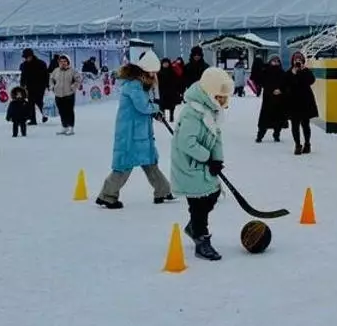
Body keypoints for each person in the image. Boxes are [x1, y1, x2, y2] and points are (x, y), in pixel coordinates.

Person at [170, 67, 234, 261]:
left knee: (212, 193)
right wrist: (207, 158)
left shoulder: (211, 110)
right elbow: (186, 142)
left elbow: (216, 137)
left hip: (202, 165)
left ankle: (194, 227)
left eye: (225, 97)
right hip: (189, 165)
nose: (224, 101)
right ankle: (201, 240)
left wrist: (218, 159)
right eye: (220, 97)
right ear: (209, 93)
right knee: (198, 204)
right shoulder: (192, 113)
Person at [97, 52, 174, 209]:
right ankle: (107, 195)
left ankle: (163, 190)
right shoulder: (133, 85)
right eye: (152, 72)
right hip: (130, 134)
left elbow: (146, 106)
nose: (154, 75)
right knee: (124, 165)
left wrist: (155, 112)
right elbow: (143, 106)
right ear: (144, 70)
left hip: (141, 132)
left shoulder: (141, 84)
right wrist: (155, 108)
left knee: (150, 162)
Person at [283, 52, 318, 155]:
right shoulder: (289, 72)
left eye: (299, 60)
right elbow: (286, 84)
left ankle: (307, 144)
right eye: (295, 60)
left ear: (302, 61)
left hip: (305, 102)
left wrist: (303, 71)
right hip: (293, 102)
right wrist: (293, 74)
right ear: (292, 61)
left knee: (305, 124)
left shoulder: (306, 71)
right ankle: (297, 145)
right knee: (295, 125)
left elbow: (311, 80)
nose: (297, 62)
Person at [255, 55, 288, 143]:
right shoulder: (265, 71)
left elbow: (286, 85)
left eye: (277, 61)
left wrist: (280, 90)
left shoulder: (282, 73)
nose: (275, 62)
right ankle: (260, 135)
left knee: (278, 119)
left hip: (279, 99)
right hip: (268, 99)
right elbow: (259, 80)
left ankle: (276, 134)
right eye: (273, 61)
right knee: (265, 119)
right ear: (270, 62)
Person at [50, 54, 82, 135]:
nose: (63, 63)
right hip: (58, 94)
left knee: (69, 111)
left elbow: (78, 80)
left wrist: (73, 87)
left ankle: (71, 127)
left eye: (65, 61)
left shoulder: (72, 71)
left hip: (69, 94)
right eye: (61, 61)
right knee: (61, 111)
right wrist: (53, 87)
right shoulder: (56, 71)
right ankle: (64, 126)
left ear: (68, 62)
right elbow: (51, 79)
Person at [20, 48, 50, 125]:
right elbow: (23, 76)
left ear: (32, 55)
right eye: (25, 57)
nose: (26, 58)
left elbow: (46, 75)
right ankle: (33, 120)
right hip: (30, 87)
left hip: (40, 87)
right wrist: (22, 85)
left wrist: (47, 85)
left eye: (27, 57)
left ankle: (44, 115)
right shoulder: (24, 65)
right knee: (31, 103)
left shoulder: (41, 63)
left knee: (39, 102)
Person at [157, 57, 181, 122]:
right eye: (164, 63)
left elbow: (176, 81)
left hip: (171, 91)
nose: (165, 64)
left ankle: (171, 116)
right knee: (162, 105)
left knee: (172, 106)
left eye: (167, 63)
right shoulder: (159, 73)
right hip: (162, 91)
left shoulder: (172, 72)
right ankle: (163, 116)